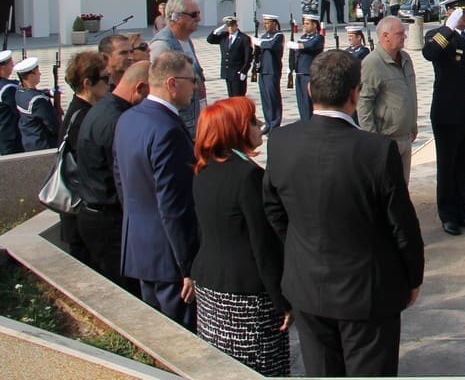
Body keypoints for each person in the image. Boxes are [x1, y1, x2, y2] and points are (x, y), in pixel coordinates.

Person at [263, 50, 424, 378]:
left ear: (309, 91)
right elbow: (402, 226)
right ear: (355, 93)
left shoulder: (281, 142)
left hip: (307, 286)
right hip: (366, 292)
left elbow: (273, 210)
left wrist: (300, 245)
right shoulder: (376, 150)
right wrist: (412, 278)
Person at [191, 97, 290, 376]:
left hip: (210, 284)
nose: (259, 126)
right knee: (258, 367)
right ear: (234, 130)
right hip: (245, 296)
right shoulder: (248, 176)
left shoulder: (203, 168)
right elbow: (263, 245)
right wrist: (282, 300)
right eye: (251, 121)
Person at [112, 51, 201, 329]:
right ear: (172, 83)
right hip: (168, 258)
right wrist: (188, 267)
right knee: (180, 339)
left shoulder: (128, 118)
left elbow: (121, 180)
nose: (195, 87)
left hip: (139, 248)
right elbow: (174, 205)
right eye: (191, 80)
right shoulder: (168, 130)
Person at [76, 60, 150, 294]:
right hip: (108, 222)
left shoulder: (105, 107)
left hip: (98, 214)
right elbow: (125, 179)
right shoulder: (117, 120)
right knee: (127, 292)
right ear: (139, 88)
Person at [422, 0, 465, 236]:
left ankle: (462, 209)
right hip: (448, 113)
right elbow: (429, 53)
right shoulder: (438, 36)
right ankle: (448, 214)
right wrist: (448, 29)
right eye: (462, 11)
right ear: (450, 13)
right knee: (448, 166)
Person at [61, 51, 111, 262]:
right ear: (87, 83)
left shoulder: (84, 112)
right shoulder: (82, 117)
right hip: (83, 214)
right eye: (105, 79)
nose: (110, 84)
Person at [358, 16, 418, 181]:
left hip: (405, 136)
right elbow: (363, 104)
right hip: (385, 139)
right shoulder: (372, 63)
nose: (404, 36)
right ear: (385, 36)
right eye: (400, 34)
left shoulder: (405, 58)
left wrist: (413, 124)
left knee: (402, 189)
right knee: (387, 191)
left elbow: (410, 94)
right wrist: (372, 140)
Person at [148, 0, 206, 138]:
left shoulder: (186, 40)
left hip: (193, 122)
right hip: (178, 126)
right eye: (193, 15)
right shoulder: (163, 45)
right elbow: (160, 90)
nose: (198, 19)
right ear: (175, 17)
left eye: (198, 14)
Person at [14, 56, 60, 151]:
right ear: (31, 76)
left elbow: (32, 93)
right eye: (38, 71)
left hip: (29, 141)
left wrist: (49, 92)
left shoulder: (19, 91)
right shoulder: (39, 101)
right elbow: (53, 125)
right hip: (44, 145)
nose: (40, 73)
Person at [288, 13, 324, 121]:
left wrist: (296, 45)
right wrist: (291, 66)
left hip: (310, 75)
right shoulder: (303, 37)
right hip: (299, 74)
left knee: (310, 103)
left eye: (307, 23)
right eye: (304, 23)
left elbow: (309, 46)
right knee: (302, 103)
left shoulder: (318, 38)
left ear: (314, 25)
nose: (304, 25)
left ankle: (311, 124)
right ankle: (304, 122)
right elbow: (297, 54)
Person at [206, 16, 253, 98]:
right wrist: (217, 31)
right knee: (231, 96)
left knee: (238, 97)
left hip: (237, 72)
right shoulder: (224, 36)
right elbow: (210, 40)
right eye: (228, 26)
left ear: (236, 26)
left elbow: (248, 57)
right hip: (227, 72)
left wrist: (244, 71)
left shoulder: (243, 38)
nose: (230, 28)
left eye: (232, 26)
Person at [252, 14, 284, 133]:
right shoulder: (264, 36)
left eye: (268, 22)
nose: (266, 25)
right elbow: (259, 52)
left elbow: (271, 45)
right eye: (265, 22)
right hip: (263, 70)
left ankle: (275, 124)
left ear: (274, 23)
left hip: (272, 70)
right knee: (265, 97)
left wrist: (259, 43)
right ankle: (268, 122)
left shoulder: (278, 36)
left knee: (273, 97)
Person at [0, 49, 22, 155]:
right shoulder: (7, 89)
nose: (13, 66)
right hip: (9, 136)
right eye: (10, 63)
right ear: (3, 67)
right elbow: (17, 109)